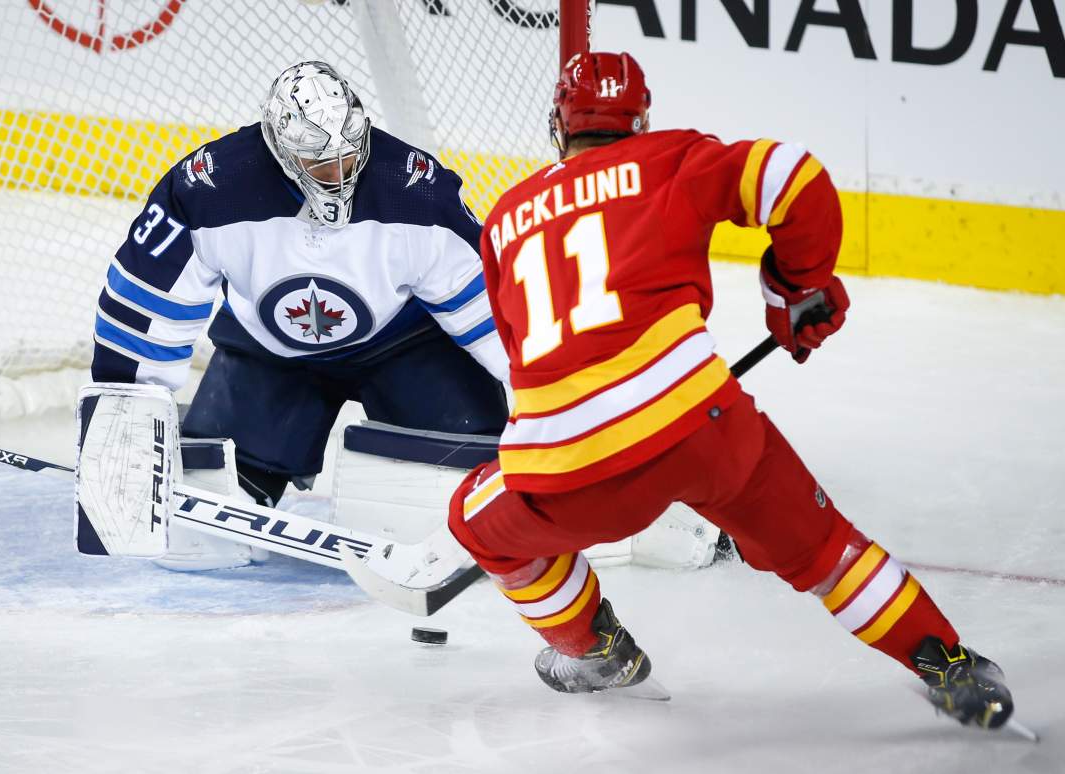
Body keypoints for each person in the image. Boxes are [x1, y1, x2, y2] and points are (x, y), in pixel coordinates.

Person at [446, 51, 1016, 731]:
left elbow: (522, 353)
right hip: (702, 426)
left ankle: (595, 649)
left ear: (558, 126)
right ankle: (952, 668)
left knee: (474, 518)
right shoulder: (671, 157)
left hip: (567, 467)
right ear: (642, 117)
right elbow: (794, 177)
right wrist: (795, 288)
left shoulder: (508, 216)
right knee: (824, 548)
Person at [89, 61, 509, 567]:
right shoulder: (209, 190)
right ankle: (254, 467)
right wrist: (122, 422)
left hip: (408, 347)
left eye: (349, 158)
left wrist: (552, 405)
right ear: (283, 151)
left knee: (475, 502)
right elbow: (146, 304)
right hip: (271, 357)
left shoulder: (415, 190)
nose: (339, 175)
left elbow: (495, 309)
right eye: (320, 164)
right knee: (202, 538)